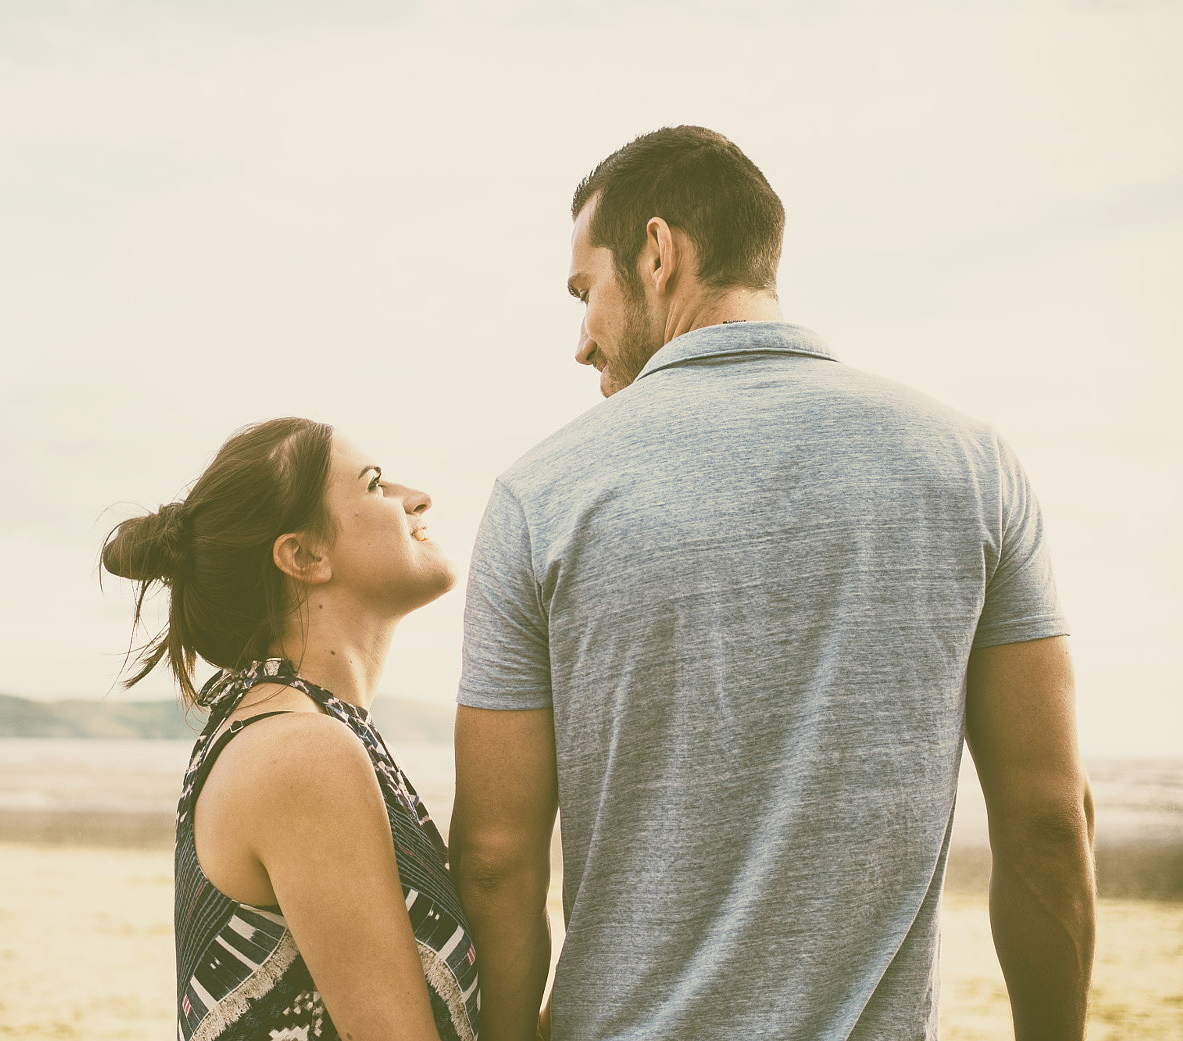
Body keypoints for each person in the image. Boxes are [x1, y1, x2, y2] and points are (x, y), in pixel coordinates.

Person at [449, 125, 1095, 1041]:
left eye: (584, 292)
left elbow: (497, 861)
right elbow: (1045, 821)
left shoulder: (539, 496)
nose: (582, 343)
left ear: (659, 252)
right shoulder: (972, 464)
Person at [102, 417, 479, 1041]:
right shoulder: (298, 750)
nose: (416, 497)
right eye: (375, 484)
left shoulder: (293, 726)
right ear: (304, 556)